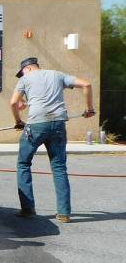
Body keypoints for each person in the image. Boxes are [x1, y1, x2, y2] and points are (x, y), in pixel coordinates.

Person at [10, 57, 95, 223]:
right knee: (59, 167)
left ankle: (28, 209)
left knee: (23, 164)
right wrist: (89, 109)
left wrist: (18, 121)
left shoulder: (25, 79)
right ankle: (64, 213)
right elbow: (87, 84)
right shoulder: (57, 75)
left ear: (27, 69)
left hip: (35, 125)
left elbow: (13, 102)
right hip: (58, 125)